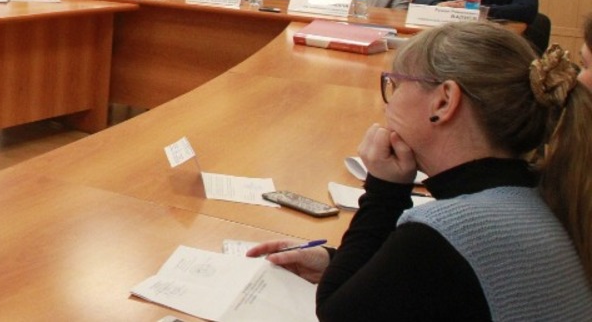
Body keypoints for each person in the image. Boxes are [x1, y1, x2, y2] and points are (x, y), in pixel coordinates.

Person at [247, 21, 592, 319]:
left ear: (444, 101)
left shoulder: (446, 233)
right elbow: (443, 283)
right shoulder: (543, 192)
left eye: (395, 85)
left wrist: (384, 191)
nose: (387, 103)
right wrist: (339, 263)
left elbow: (336, 312)